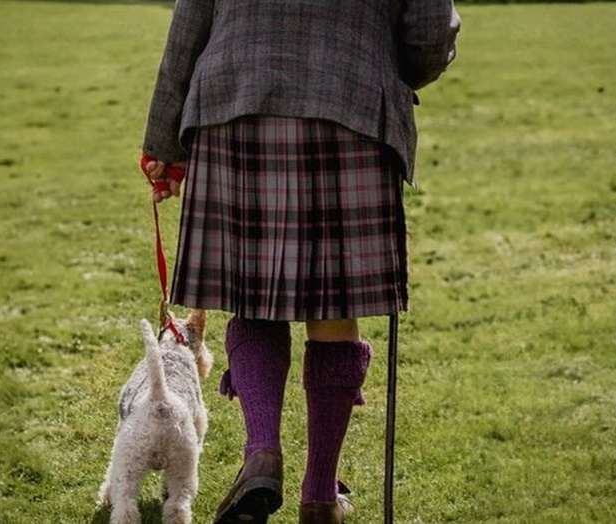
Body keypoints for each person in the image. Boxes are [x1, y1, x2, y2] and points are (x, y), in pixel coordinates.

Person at [139, 1, 459, 523]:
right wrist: (376, 58)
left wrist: (162, 141)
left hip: (233, 99)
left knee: (253, 293)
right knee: (333, 305)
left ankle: (262, 453)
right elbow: (429, 29)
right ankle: (320, 497)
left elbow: (189, 23)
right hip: (351, 103)